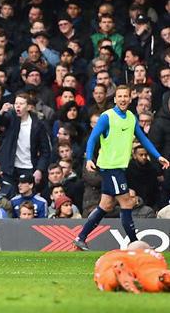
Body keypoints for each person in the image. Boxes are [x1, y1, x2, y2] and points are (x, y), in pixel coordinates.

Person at [73, 86, 170, 251]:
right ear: (115, 99)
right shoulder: (107, 117)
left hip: (119, 168)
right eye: (120, 96)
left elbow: (143, 139)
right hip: (110, 168)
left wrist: (158, 156)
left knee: (106, 205)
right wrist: (89, 158)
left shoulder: (131, 117)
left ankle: (80, 238)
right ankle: (136, 244)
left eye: (126, 96)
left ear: (130, 98)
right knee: (126, 202)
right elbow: (92, 138)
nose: (123, 99)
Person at [94, 241, 170, 293]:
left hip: (118, 258)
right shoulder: (152, 254)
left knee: (107, 277)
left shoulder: (111, 254)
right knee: (154, 276)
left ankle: (116, 276)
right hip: (147, 258)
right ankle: (164, 279)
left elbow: (99, 275)